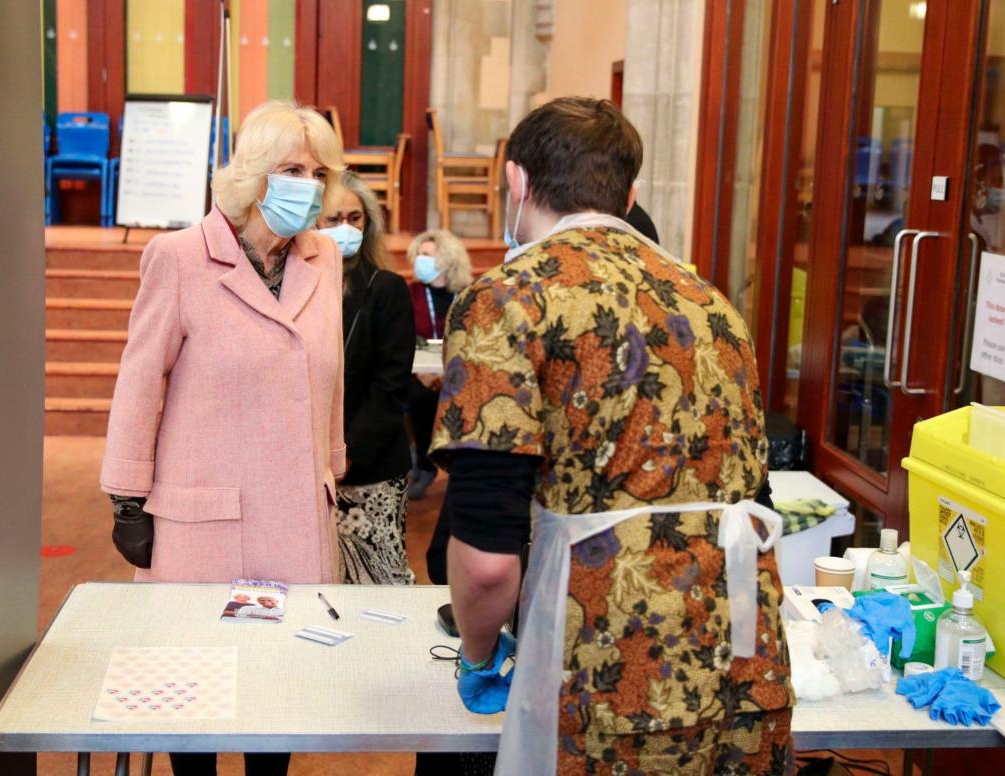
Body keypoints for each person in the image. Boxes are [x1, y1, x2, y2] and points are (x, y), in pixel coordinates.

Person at [429, 98, 794, 775]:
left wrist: (477, 655)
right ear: (629, 194)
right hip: (743, 667)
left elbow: (484, 562)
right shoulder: (714, 305)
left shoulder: (507, 301)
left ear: (515, 181)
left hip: (606, 680)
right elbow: (757, 501)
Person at [100, 99, 347, 776]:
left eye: (319, 170)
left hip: (297, 520)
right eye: (293, 167)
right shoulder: (179, 256)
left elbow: (331, 374)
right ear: (255, 172)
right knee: (194, 708)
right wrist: (127, 497)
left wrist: (333, 471)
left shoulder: (323, 257)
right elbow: (140, 381)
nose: (310, 183)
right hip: (203, 525)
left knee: (279, 703)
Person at [319, 171, 416, 584]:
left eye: (355, 218)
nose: (346, 228)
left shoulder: (387, 288)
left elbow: (390, 386)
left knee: (379, 583)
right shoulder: (293, 286)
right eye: (333, 218)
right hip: (309, 466)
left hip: (369, 466)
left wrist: (345, 454)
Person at [404, 229, 473, 500]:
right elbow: (404, 335)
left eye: (427, 255)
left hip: (458, 371)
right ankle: (423, 463)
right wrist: (422, 373)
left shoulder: (467, 294)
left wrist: (449, 374)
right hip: (420, 370)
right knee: (418, 397)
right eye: (418, 255)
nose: (419, 260)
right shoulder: (412, 292)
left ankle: (449, 464)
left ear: (446, 260)